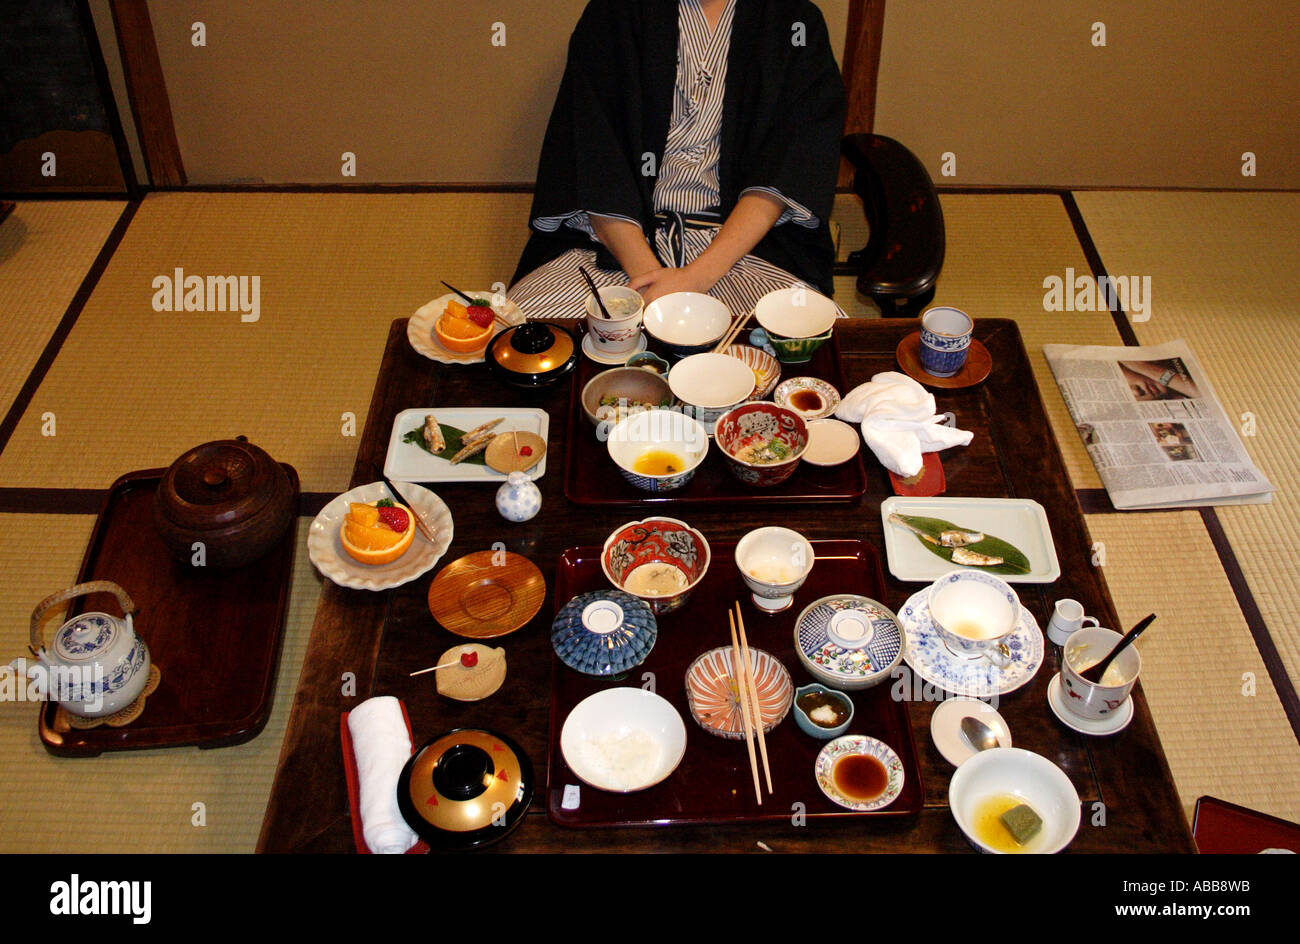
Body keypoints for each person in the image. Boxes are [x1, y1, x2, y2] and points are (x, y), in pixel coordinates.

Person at [508, 0, 845, 322]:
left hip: (744, 254)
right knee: (521, 334)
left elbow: (790, 165)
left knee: (808, 348)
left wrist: (696, 278)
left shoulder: (795, 21)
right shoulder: (613, 13)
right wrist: (650, 279)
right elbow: (594, 156)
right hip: (616, 248)